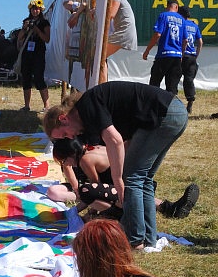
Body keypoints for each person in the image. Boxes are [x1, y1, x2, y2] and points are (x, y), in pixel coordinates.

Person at [43, 82, 188, 249]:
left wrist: (118, 178)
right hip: (174, 112)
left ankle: (134, 238)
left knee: (132, 178)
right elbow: (125, 141)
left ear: (64, 119)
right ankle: (148, 238)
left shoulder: (88, 107)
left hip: (164, 113)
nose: (69, 137)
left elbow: (115, 140)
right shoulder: (88, 112)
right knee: (144, 178)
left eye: (64, 134)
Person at [48, 137, 199, 220]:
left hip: (122, 191)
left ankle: (114, 213)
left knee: (86, 190)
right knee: (131, 195)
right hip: (133, 182)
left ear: (70, 155)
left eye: (63, 160)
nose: (65, 164)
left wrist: (79, 212)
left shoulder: (85, 160)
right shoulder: (94, 148)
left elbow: (95, 188)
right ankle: (170, 208)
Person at [143, 0, 185, 95]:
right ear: (176, 7)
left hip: (164, 55)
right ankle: (171, 108)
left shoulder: (163, 15)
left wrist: (147, 50)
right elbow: (185, 40)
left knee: (154, 83)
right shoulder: (182, 20)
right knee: (172, 87)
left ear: (167, 6)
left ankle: (151, 106)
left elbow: (157, 34)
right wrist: (181, 55)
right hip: (177, 56)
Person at [17, 0, 50, 111]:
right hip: (27, 53)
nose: (35, 11)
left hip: (39, 53)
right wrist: (24, 28)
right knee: (26, 78)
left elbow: (47, 39)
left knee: (39, 78)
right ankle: (27, 105)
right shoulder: (26, 21)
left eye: (37, 9)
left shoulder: (44, 23)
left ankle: (46, 105)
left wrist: (37, 30)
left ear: (41, 10)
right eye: (33, 9)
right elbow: (20, 37)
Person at [100, 0, 138, 83]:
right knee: (101, 57)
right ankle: (102, 85)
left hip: (124, 32)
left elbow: (111, 14)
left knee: (100, 57)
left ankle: (102, 86)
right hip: (124, 31)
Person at [178, 6, 203, 115]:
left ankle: (173, 100)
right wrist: (196, 55)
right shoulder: (194, 25)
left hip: (182, 55)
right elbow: (200, 42)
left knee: (174, 78)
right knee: (189, 80)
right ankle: (190, 101)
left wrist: (181, 55)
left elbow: (184, 41)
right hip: (192, 57)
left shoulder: (180, 24)